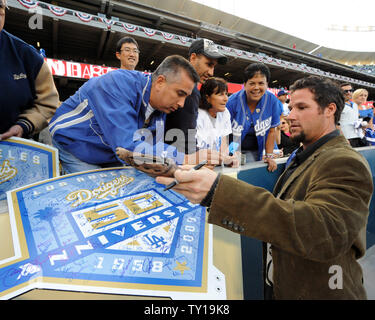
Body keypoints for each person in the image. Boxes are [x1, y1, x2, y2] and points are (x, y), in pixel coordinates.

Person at [156, 76, 373, 300]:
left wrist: (218, 191)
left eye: (302, 107)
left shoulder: (345, 162)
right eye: (290, 107)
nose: (290, 115)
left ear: (329, 110)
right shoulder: (306, 154)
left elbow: (323, 232)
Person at [49, 55, 219, 174]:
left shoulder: (161, 107)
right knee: (98, 197)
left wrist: (185, 164)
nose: (182, 104)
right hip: (73, 145)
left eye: (186, 97)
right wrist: (187, 158)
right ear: (160, 81)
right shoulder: (115, 83)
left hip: (107, 151)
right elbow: (127, 146)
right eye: (180, 93)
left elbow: (152, 150)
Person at [0, 0, 59, 140]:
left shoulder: (27, 55)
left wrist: (24, 125)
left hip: (12, 148)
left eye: (0, 9)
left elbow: (48, 103)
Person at [164, 38, 227, 155]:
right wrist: (197, 160)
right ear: (193, 58)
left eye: (213, 67)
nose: (211, 73)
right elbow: (184, 141)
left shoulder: (182, 83)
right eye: (208, 64)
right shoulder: (189, 91)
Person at [226, 63, 281, 171]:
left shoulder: (273, 101)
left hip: (262, 148)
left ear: (267, 84)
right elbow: (225, 134)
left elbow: (271, 131)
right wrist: (231, 153)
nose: (256, 88)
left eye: (261, 83)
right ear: (245, 84)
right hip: (236, 146)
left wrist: (269, 155)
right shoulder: (232, 102)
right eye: (252, 83)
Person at [195, 77, 238, 166]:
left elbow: (223, 144)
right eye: (220, 94)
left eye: (226, 94)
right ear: (207, 97)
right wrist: (222, 159)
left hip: (215, 164)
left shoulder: (225, 112)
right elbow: (198, 153)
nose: (226, 98)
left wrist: (229, 157)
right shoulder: (198, 115)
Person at [337, 83, 366, 147]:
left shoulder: (355, 105)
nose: (349, 92)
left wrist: (362, 128)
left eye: (351, 90)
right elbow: (335, 124)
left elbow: (355, 120)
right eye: (345, 91)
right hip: (346, 138)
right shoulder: (337, 105)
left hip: (358, 137)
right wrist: (343, 139)